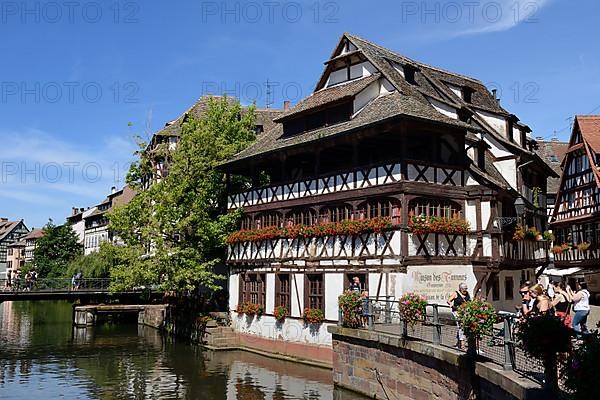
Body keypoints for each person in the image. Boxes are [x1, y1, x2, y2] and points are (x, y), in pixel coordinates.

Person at [447, 283, 470, 349]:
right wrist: (451, 304)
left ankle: (458, 342)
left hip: (465, 312)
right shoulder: (456, 293)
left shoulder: (467, 293)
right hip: (457, 312)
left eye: (466, 288)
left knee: (461, 326)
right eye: (464, 289)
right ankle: (462, 344)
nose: (465, 290)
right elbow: (448, 300)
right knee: (461, 325)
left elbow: (469, 301)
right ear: (460, 289)